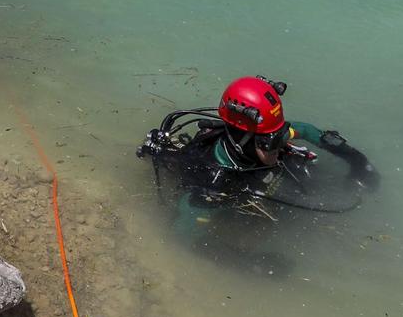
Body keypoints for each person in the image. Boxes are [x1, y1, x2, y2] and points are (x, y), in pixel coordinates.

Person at [139, 77, 378, 215]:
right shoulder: (210, 180)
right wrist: (250, 262)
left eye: (281, 133)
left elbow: (307, 130)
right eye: (272, 140)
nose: (282, 140)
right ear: (241, 138)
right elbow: (186, 237)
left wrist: (357, 161)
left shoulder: (267, 134)